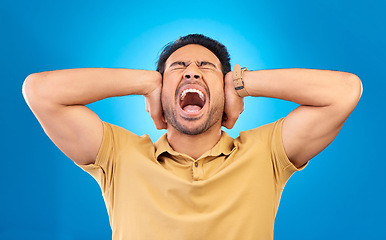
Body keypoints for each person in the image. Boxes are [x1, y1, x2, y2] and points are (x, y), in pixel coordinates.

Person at [22, 34, 362, 240]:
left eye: (206, 67)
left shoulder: (266, 154)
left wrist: (242, 84)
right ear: (161, 89)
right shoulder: (119, 156)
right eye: (178, 67)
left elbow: (345, 91)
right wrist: (145, 82)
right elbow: (39, 91)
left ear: (224, 88)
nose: (192, 71)